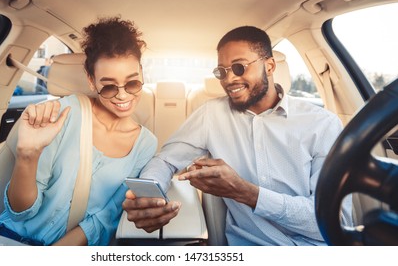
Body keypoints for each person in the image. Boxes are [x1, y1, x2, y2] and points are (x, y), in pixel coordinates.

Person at [122, 25, 352, 245]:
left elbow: (337, 220)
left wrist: (247, 193)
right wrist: (149, 195)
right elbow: (165, 160)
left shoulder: (322, 124)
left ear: (270, 66)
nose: (229, 79)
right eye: (221, 71)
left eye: (239, 67)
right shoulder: (212, 115)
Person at [0, 17, 157, 246]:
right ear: (92, 82)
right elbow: (20, 212)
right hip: (8, 239)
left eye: (132, 83)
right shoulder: (63, 112)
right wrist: (27, 155)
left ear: (142, 74)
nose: (123, 96)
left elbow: (105, 218)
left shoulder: (146, 144)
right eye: (109, 86)